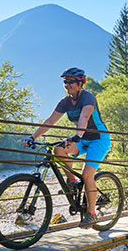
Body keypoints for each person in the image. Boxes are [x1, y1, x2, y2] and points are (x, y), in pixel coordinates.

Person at [25, 67, 110, 228]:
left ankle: (91, 214)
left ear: (80, 84)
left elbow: (85, 117)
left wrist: (77, 135)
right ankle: (72, 181)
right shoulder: (65, 102)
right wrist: (32, 137)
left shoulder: (88, 98)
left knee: (87, 175)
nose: (67, 84)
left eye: (70, 81)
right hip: (82, 138)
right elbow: (50, 121)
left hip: (99, 139)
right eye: (65, 82)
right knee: (58, 149)